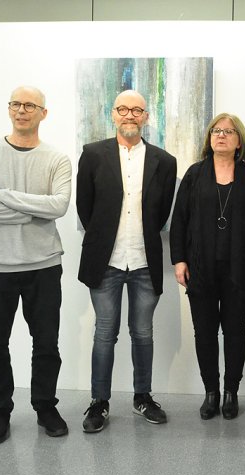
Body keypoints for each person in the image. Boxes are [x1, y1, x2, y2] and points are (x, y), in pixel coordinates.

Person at [0, 86, 72, 444]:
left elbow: (58, 207)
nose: (21, 110)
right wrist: (28, 214)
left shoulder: (57, 159)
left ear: (44, 112)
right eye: (15, 104)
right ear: (9, 109)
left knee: (46, 343)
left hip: (43, 265)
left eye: (30, 105)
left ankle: (45, 407)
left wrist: (4, 195)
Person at [76, 90, 177, 432]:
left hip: (145, 262)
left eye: (137, 110)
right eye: (123, 109)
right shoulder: (92, 155)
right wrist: (105, 239)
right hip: (106, 262)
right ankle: (99, 403)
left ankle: (142, 397)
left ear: (147, 116)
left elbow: (162, 213)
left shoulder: (164, 161)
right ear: (113, 114)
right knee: (104, 333)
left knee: (143, 333)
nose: (130, 115)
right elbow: (85, 209)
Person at [170, 113, 245, 420]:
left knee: (236, 332)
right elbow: (179, 221)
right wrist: (179, 260)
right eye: (216, 131)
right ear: (209, 138)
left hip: (239, 270)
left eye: (229, 131)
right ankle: (211, 392)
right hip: (201, 269)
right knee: (205, 333)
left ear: (239, 141)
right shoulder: (195, 175)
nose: (221, 135)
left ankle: (230, 392)